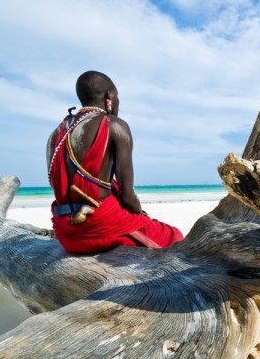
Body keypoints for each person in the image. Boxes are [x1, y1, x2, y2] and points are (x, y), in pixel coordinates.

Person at [46, 71, 183, 254]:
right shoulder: (113, 125)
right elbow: (127, 197)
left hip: (66, 232)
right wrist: (140, 215)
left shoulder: (56, 133)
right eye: (117, 97)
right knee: (174, 236)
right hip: (98, 228)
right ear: (109, 96)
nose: (118, 102)